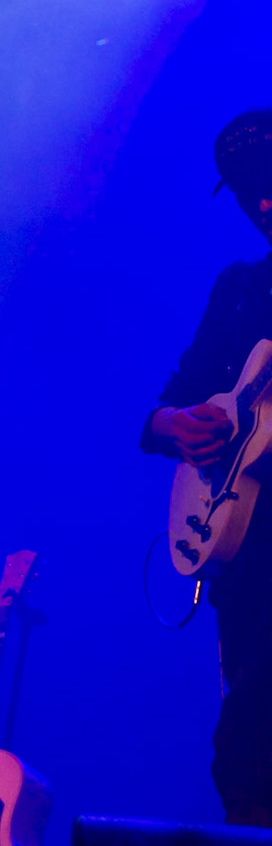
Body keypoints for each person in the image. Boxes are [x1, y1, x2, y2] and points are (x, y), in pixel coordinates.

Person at [143, 108, 272, 825]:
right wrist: (179, 425)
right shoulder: (240, 288)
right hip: (243, 554)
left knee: (247, 743)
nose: (264, 205)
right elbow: (166, 407)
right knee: (245, 761)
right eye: (248, 191)